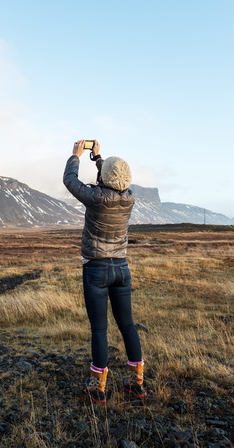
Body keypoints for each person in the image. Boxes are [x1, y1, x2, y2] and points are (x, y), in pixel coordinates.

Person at [63, 139, 146, 403]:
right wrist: (99, 159)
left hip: (96, 268)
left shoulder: (96, 198)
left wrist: (76, 156)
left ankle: (97, 387)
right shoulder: (129, 198)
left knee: (99, 329)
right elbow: (114, 181)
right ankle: (137, 384)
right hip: (122, 267)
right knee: (128, 325)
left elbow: (70, 181)